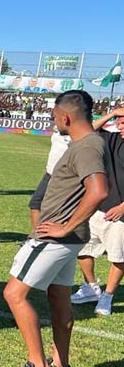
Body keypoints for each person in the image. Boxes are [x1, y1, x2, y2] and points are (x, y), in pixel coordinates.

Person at [2, 90, 108, 367]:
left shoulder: (87, 146)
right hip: (68, 240)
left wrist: (65, 227)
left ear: (65, 117)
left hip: (57, 238)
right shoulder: (86, 143)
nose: (53, 122)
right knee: (58, 298)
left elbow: (98, 190)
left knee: (14, 294)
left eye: (53, 117)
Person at [69, 107, 124, 316]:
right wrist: (111, 114)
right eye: (119, 121)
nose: (120, 126)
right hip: (98, 208)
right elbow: (88, 130)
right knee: (82, 249)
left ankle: (107, 296)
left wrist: (122, 207)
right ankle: (91, 287)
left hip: (120, 213)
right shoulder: (111, 139)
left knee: (118, 257)